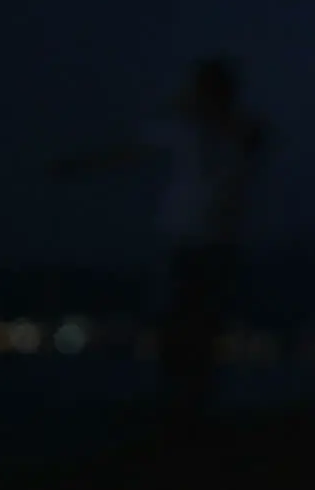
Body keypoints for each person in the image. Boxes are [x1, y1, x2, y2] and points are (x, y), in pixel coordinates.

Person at [52, 56, 266, 429]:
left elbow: (257, 139)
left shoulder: (240, 130)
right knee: (176, 319)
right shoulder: (183, 128)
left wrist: (206, 114)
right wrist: (77, 165)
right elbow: (128, 151)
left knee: (204, 320)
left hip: (217, 241)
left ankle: (194, 400)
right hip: (182, 237)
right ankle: (173, 398)